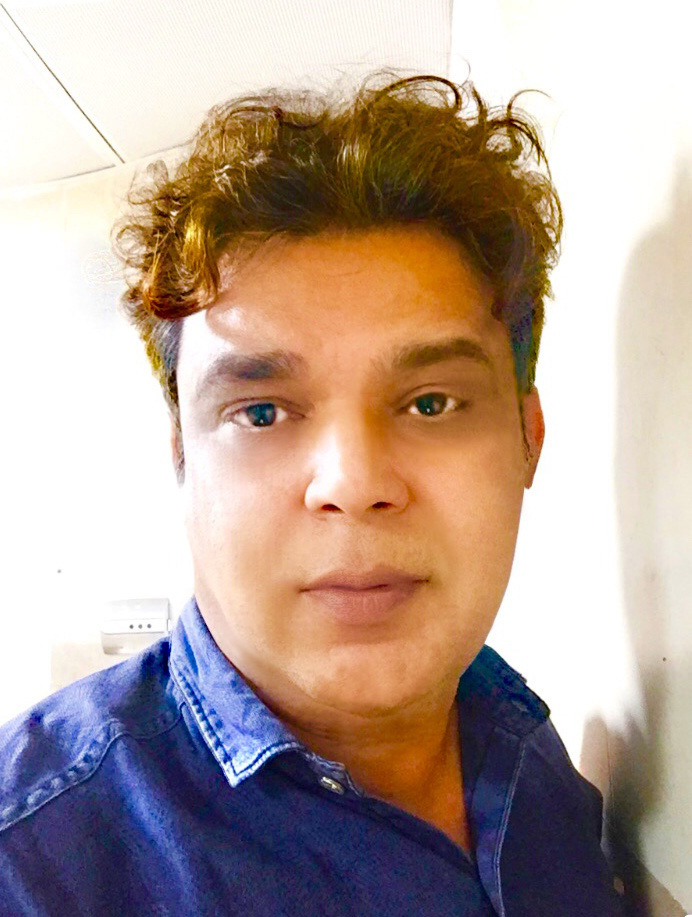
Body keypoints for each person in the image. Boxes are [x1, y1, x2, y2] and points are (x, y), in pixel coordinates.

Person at [0, 72, 624, 915]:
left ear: (528, 438)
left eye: (431, 403)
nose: (354, 484)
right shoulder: (33, 866)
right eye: (261, 412)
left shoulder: (532, 759)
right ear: (183, 459)